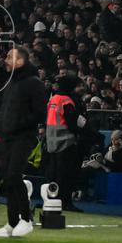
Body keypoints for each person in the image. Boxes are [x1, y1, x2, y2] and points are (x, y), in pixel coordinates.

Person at [0, 47, 48, 239]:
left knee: (14, 175)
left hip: (23, 136)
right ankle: (12, 223)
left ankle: (26, 219)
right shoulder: (12, 83)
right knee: (8, 179)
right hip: (8, 136)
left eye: (10, 57)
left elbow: (40, 112)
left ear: (21, 61)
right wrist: (1, 126)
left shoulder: (33, 83)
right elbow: (5, 109)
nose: (5, 60)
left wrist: (18, 124)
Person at [44, 74, 83, 211]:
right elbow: (72, 123)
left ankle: (51, 200)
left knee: (53, 174)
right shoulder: (67, 101)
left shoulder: (53, 99)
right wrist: (79, 132)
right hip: (66, 142)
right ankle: (65, 202)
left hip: (52, 141)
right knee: (66, 174)